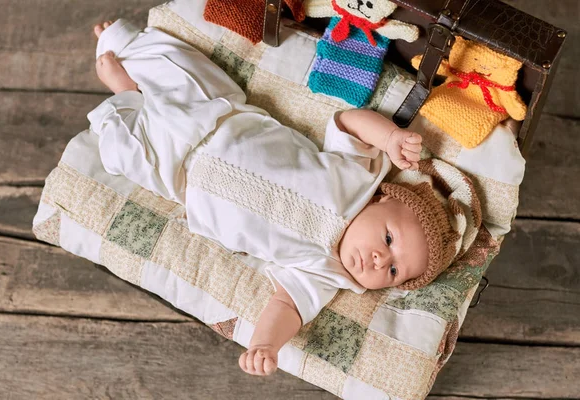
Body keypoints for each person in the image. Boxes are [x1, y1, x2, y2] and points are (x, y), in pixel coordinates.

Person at [90, 19, 481, 377]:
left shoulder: (325, 272)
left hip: (180, 176)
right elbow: (349, 121)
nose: (381, 260)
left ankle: (125, 95)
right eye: (389, 239)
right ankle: (118, 41)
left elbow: (287, 306)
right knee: (181, 68)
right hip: (221, 118)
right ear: (382, 201)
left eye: (393, 272)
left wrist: (265, 343)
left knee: (120, 151)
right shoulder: (357, 176)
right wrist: (390, 138)